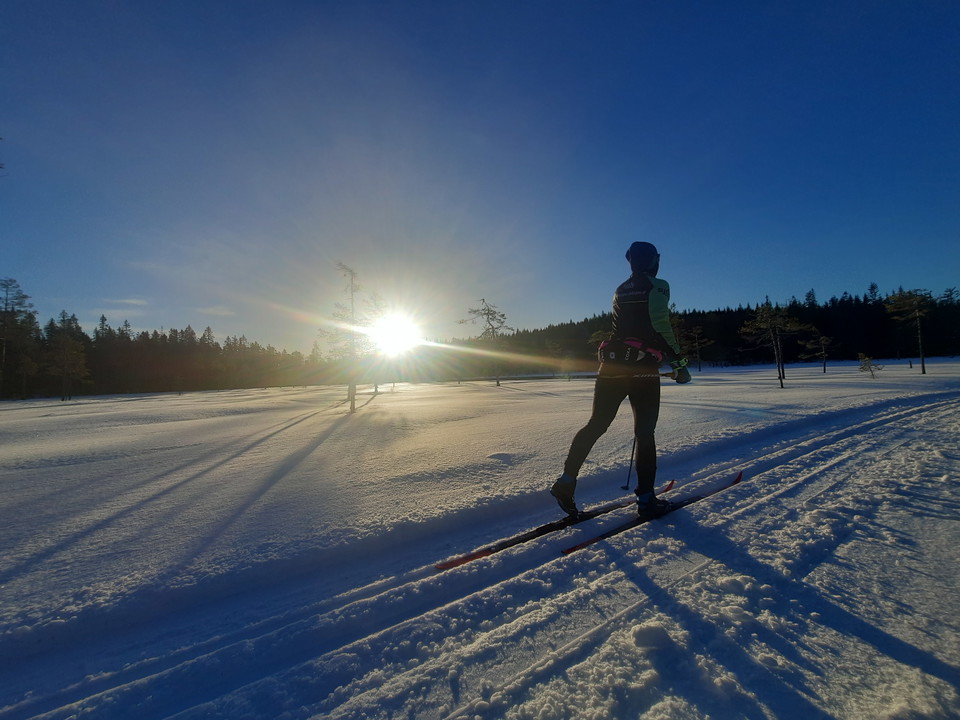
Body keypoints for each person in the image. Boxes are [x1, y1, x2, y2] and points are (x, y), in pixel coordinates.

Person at [551, 241, 691, 520]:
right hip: (642, 368)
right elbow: (660, 324)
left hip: (611, 364)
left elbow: (621, 328)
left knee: (596, 424)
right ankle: (647, 500)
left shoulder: (620, 289)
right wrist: (679, 364)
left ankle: (566, 482)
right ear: (653, 260)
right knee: (644, 434)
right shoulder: (658, 285)